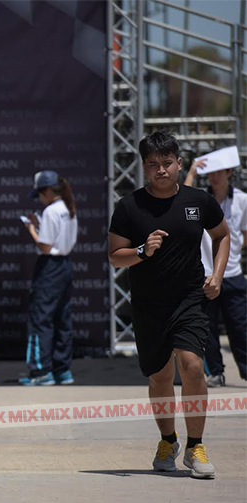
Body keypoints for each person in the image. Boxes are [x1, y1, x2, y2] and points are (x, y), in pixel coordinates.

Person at [108, 131, 230, 479]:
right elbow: (115, 256)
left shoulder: (199, 201)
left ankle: (196, 446)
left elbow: (222, 235)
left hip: (190, 298)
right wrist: (142, 250)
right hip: (148, 303)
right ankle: (167, 441)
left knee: (192, 365)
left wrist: (217, 275)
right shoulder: (129, 206)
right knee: (160, 376)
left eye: (166, 163)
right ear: (144, 167)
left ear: (179, 163)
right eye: (152, 164)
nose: (160, 170)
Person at [184, 158, 246, 386]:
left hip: (232, 272)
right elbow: (182, 197)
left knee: (239, 326)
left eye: (219, 171)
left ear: (229, 172)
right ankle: (216, 372)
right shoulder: (200, 198)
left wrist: (232, 251)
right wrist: (192, 171)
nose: (214, 176)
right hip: (206, 273)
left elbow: (244, 234)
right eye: (211, 172)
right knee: (207, 328)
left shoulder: (242, 199)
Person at [19, 170, 78, 386]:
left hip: (50, 267)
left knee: (40, 318)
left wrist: (31, 228)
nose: (39, 200)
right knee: (62, 317)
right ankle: (62, 370)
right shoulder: (68, 208)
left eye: (39, 195)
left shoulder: (52, 211)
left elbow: (44, 246)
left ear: (47, 191)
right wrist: (39, 224)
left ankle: (41, 371)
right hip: (65, 265)